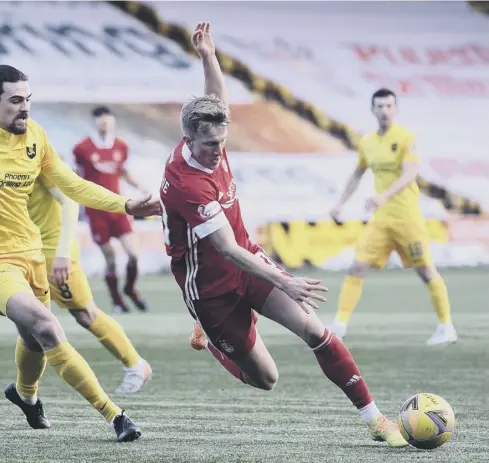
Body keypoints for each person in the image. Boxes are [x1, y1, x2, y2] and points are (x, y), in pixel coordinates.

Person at [160, 23, 407, 447]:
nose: (219, 151)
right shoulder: (187, 183)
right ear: (188, 139)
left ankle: (376, 419)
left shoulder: (209, 133)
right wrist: (287, 279)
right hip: (210, 288)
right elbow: (225, 248)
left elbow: (216, 101)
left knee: (315, 331)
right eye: (209, 146)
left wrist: (208, 57)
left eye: (222, 141)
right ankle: (211, 336)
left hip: (248, 263)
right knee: (266, 379)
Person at [0, 65, 160, 442]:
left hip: (31, 253)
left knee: (32, 339)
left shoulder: (35, 137)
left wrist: (126, 205)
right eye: (15, 101)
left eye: (28, 99)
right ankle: (115, 415)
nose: (25, 108)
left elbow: (72, 187)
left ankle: (26, 395)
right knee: (47, 327)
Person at [0, 175, 152, 397]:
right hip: (19, 250)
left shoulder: (36, 154)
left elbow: (69, 201)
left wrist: (62, 254)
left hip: (51, 252)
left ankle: (136, 365)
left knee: (85, 314)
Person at [329, 88, 457, 345]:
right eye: (380, 106)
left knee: (425, 271)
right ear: (373, 110)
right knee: (357, 266)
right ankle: (339, 324)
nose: (385, 111)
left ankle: (446, 327)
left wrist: (383, 196)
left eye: (389, 106)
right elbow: (358, 173)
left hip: (407, 218)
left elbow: (411, 173)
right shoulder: (368, 142)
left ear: (395, 109)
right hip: (380, 220)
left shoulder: (406, 137)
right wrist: (339, 204)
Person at [73, 107, 148, 314]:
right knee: (111, 257)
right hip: (96, 210)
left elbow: (122, 171)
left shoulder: (121, 146)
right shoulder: (82, 148)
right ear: (95, 122)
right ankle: (117, 301)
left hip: (119, 206)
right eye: (101, 120)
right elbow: (76, 177)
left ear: (113, 122)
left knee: (133, 254)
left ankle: (130, 289)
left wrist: (141, 188)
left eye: (108, 120)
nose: (104, 123)